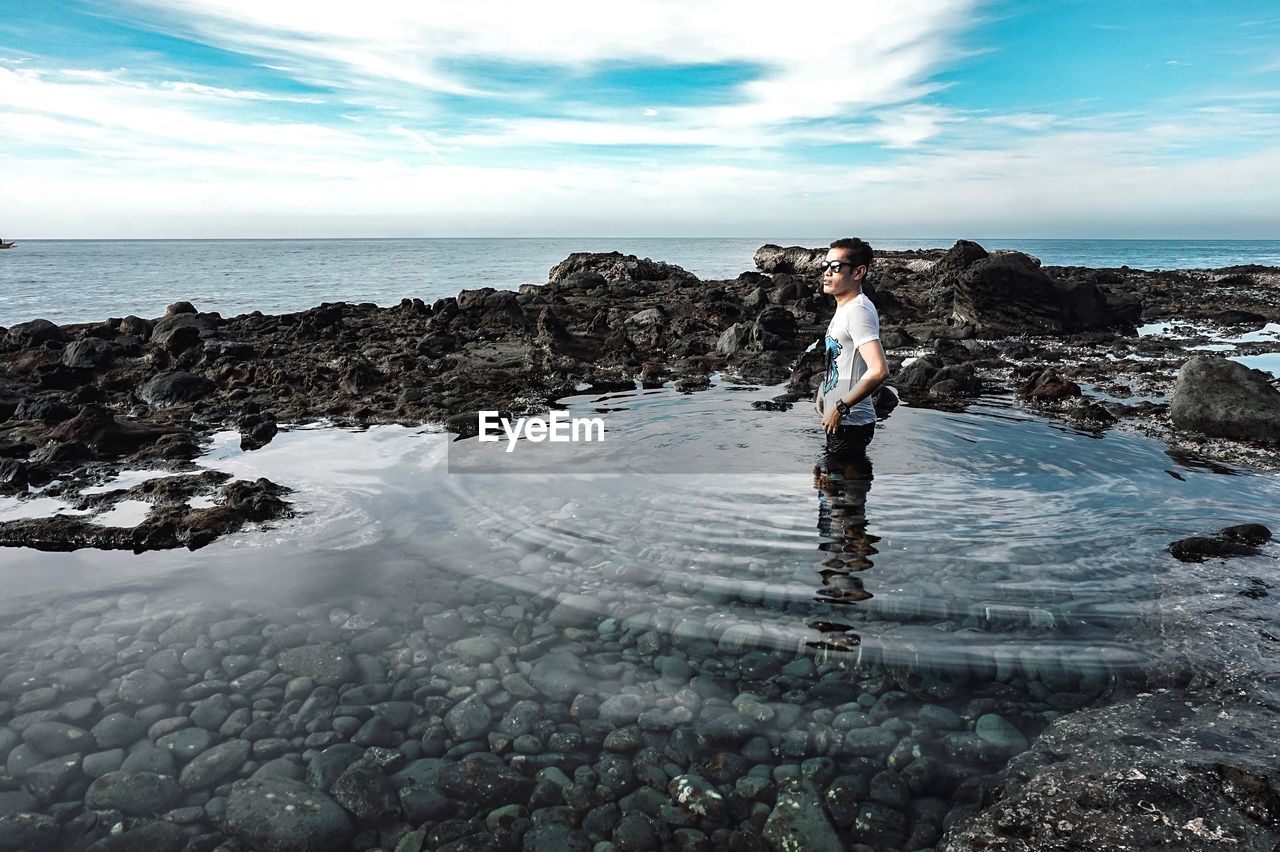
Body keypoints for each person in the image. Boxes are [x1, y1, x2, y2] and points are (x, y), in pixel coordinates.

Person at [815, 238, 889, 461]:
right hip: (841, 422)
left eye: (836, 267)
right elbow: (843, 360)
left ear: (858, 272)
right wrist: (823, 391)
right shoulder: (846, 308)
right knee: (831, 491)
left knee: (847, 490)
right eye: (825, 265)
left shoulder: (859, 310)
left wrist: (840, 407)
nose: (827, 272)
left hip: (851, 424)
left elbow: (879, 370)